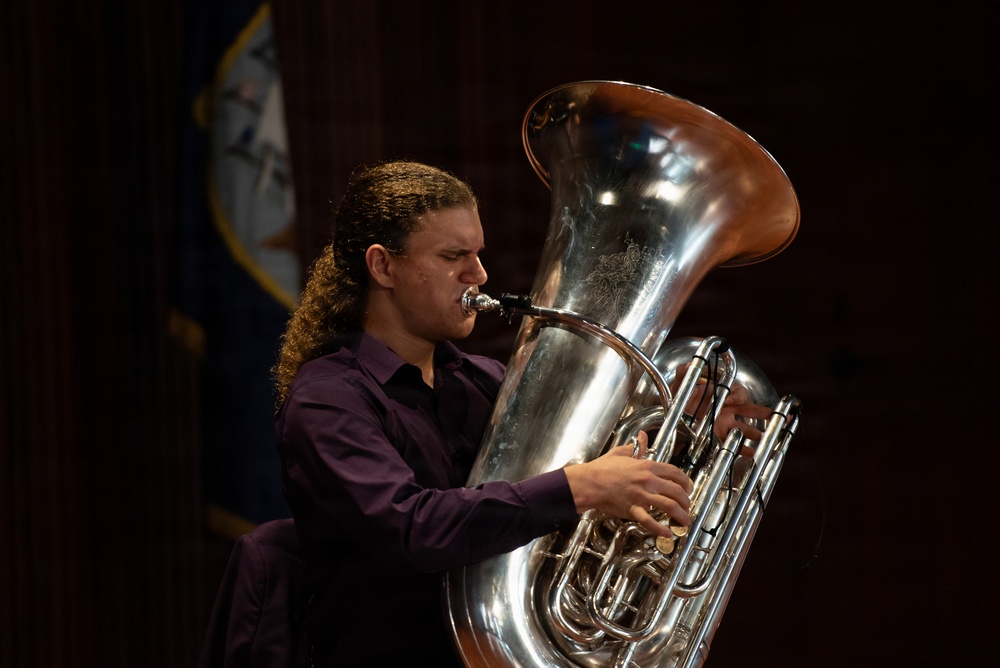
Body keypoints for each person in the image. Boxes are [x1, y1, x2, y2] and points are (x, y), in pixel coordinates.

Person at [272, 160, 762, 667]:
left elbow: (586, 477)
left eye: (477, 254)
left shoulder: (483, 381)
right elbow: (410, 528)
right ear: (383, 266)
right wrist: (582, 487)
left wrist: (684, 430)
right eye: (452, 256)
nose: (479, 274)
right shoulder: (328, 398)